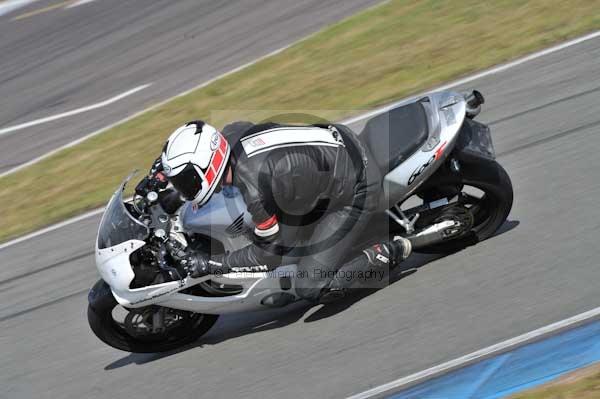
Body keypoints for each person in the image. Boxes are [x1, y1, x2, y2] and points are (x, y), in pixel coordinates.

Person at [138, 120, 411, 304]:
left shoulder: (257, 189)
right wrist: (160, 177)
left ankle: (389, 251)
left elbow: (269, 255)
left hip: (356, 186)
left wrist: (211, 264)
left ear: (209, 167)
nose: (183, 189)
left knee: (310, 286)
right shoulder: (230, 135)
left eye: (185, 180)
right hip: (332, 145)